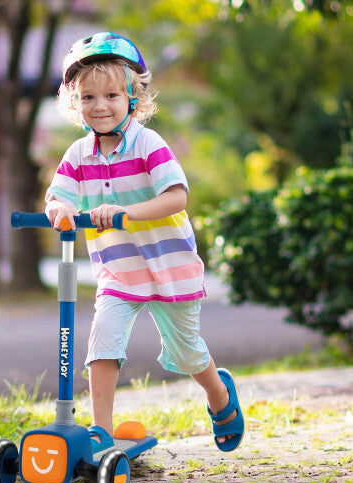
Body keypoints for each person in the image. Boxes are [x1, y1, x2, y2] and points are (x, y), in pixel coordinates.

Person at [45, 32, 244, 452]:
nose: (99, 106)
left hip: (168, 267)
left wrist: (125, 212)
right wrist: (59, 211)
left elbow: (177, 195)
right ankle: (102, 431)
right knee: (103, 341)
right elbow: (58, 195)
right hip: (120, 272)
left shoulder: (148, 144)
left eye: (112, 95)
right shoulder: (79, 154)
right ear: (74, 102)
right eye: (88, 97)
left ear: (133, 98)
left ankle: (218, 394)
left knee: (188, 354)